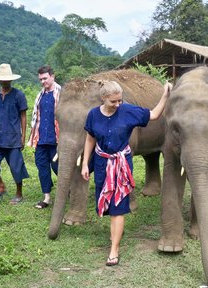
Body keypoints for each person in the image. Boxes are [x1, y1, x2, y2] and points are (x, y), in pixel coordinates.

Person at [81, 80, 171, 266]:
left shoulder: (127, 110)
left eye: (120, 100)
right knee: (108, 206)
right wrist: (84, 164)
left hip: (121, 165)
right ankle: (115, 236)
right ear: (103, 98)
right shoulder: (93, 115)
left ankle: (114, 249)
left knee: (118, 208)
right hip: (101, 164)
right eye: (114, 101)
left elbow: (153, 115)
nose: (118, 104)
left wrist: (165, 95)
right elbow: (90, 138)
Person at [0, 63, 29, 204]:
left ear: (11, 80)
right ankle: (1, 186)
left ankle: (19, 193)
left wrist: (23, 135)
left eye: (7, 79)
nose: (4, 81)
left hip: (13, 138)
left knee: (16, 167)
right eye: (2, 79)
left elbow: (23, 116)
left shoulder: (18, 95)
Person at [27, 65, 61, 209]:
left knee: (58, 167)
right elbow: (36, 118)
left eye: (45, 78)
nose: (43, 82)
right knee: (42, 167)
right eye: (40, 79)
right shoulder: (40, 95)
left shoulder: (62, 94)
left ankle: (71, 190)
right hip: (41, 139)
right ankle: (47, 197)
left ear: (52, 77)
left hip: (56, 139)